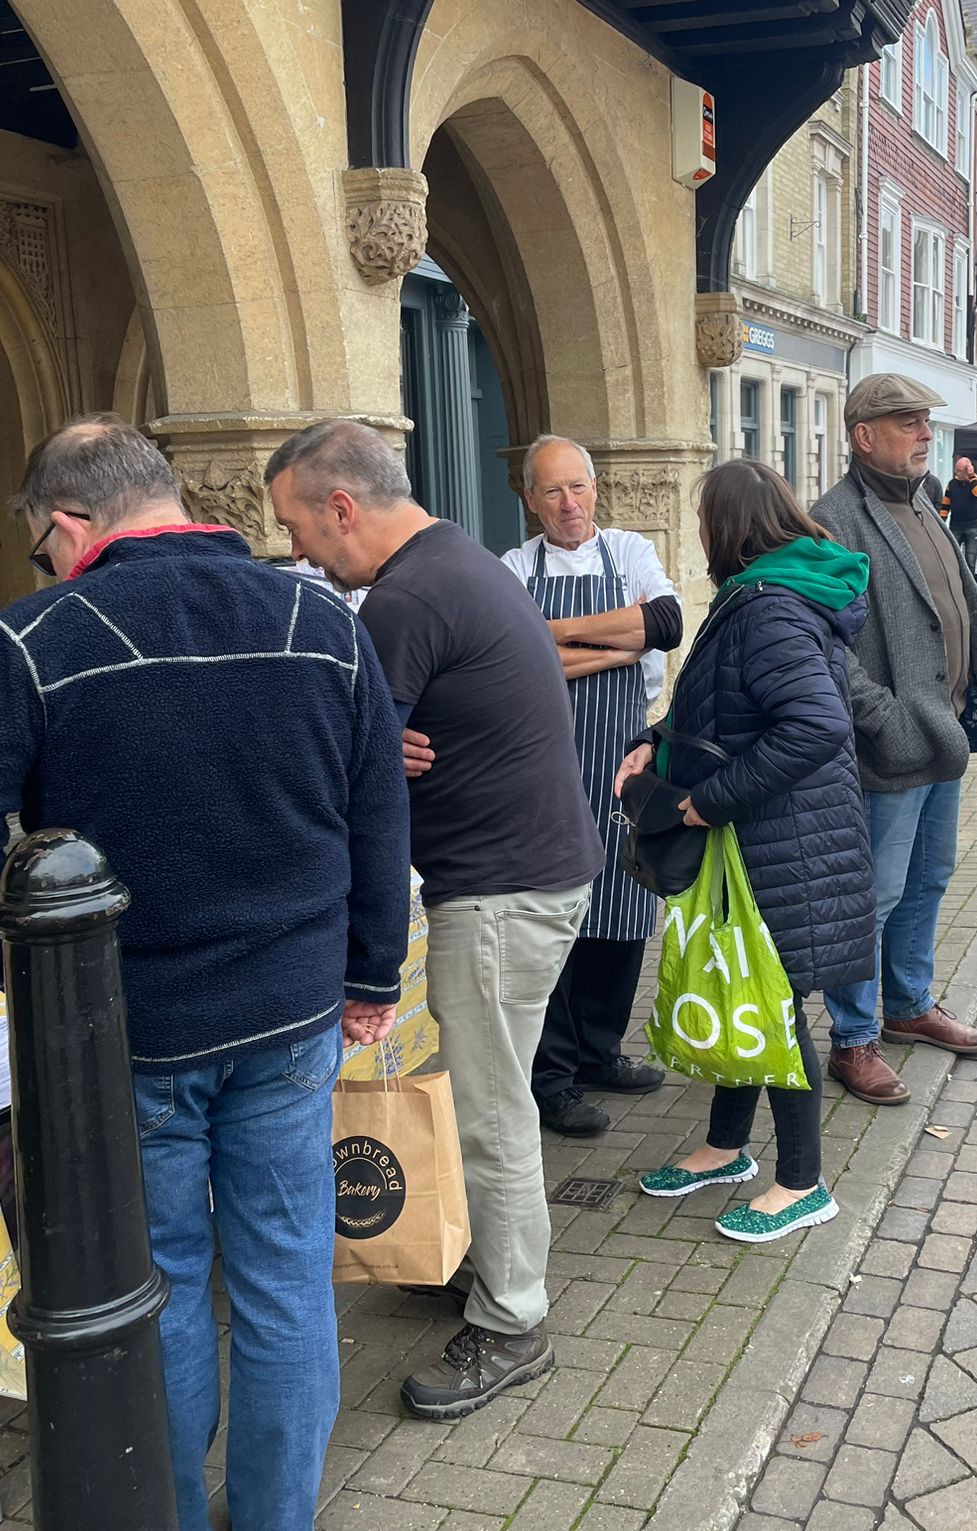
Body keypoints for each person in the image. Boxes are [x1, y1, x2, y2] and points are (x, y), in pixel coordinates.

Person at [0, 415, 410, 1531]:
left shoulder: (35, 638)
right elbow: (379, 812)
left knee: (158, 1290)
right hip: (291, 1014)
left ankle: (163, 1517)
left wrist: (40, 980)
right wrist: (371, 973)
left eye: (42, 544)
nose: (46, 562)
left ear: (69, 525)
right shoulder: (321, 617)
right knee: (283, 1281)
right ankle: (276, 1524)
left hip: (131, 1031)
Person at [264, 419, 600, 1422]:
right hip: (533, 876)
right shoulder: (457, 556)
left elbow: (328, 770)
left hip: (500, 894)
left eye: (296, 526)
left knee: (495, 1119)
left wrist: (368, 749)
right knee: (490, 1105)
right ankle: (496, 1268)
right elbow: (362, 743)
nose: (294, 552)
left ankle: (512, 1323)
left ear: (341, 507)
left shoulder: (404, 598)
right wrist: (376, 741)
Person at [615, 459, 874, 1240]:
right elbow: (725, 703)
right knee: (748, 994)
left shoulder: (765, 608)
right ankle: (726, 1148)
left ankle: (803, 1183)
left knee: (774, 1003)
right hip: (778, 839)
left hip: (779, 841)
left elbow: (816, 724)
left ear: (724, 528)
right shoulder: (771, 596)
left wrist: (701, 804)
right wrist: (655, 740)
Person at [810, 373, 977, 1108]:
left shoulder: (924, 502)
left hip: (945, 732)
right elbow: (825, 650)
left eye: (926, 421)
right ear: (864, 435)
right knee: (876, 892)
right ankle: (853, 1039)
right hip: (889, 746)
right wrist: (887, 718)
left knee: (930, 878)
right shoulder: (832, 520)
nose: (925, 433)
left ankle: (908, 1004)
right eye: (906, 423)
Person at [499, 435, 680, 1137]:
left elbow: (665, 624)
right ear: (529, 498)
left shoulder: (630, 551)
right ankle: (553, 1079)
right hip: (545, 767)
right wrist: (617, 643)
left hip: (622, 759)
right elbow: (514, 656)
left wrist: (559, 634)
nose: (569, 504)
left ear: (596, 488)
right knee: (558, 926)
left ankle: (600, 1052)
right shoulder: (513, 566)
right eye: (552, 491)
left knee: (623, 912)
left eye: (579, 487)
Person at [943, 455, 977, 567]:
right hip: (955, 524)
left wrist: (972, 477)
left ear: (968, 469)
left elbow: (976, 492)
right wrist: (941, 521)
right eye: (956, 470)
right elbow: (945, 504)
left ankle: (969, 583)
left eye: (960, 470)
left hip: (972, 525)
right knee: (952, 557)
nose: (957, 473)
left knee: (971, 559)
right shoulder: (952, 484)